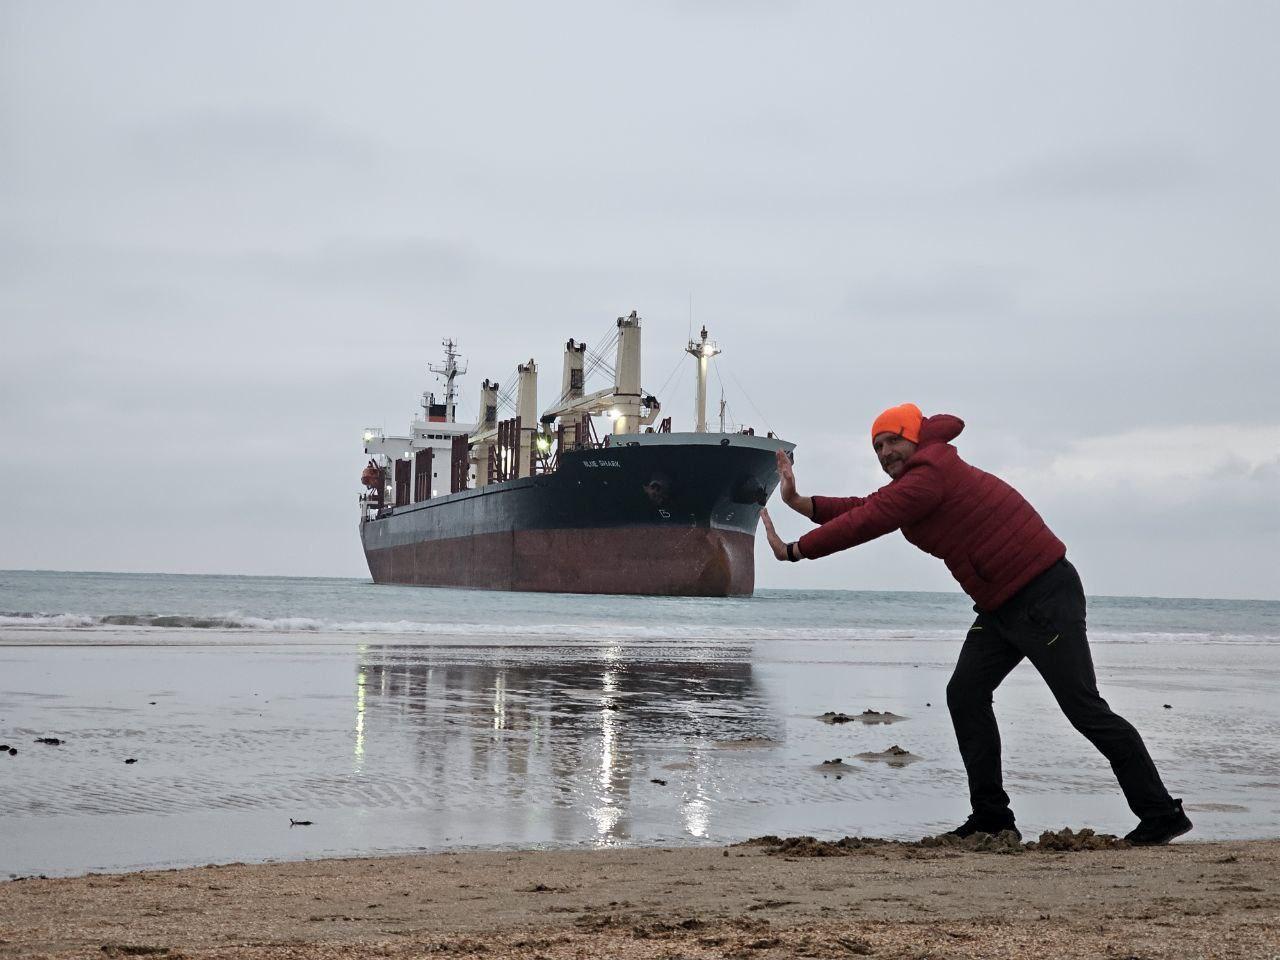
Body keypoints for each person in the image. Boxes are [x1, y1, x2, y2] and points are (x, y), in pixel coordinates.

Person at [759, 403, 1192, 845]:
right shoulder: (918, 479)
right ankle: (991, 817)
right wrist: (798, 502)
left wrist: (796, 550)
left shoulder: (931, 474)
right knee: (964, 694)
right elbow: (869, 506)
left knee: (1084, 709)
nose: (885, 452)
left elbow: (871, 519)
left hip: (1043, 594)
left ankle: (1160, 813)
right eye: (878, 446)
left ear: (916, 438)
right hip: (1001, 605)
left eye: (893, 441)